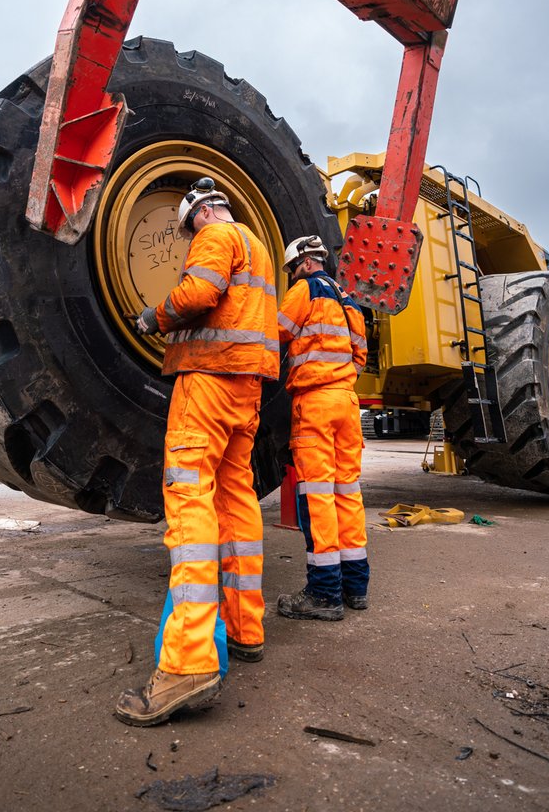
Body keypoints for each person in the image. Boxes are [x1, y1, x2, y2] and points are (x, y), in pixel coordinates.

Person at [115, 177, 279, 727]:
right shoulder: (258, 247)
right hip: (247, 388)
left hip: (207, 381)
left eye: (187, 228)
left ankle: (188, 663)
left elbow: (198, 295)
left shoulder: (216, 236)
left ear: (202, 212)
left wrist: (154, 317)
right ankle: (245, 628)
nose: (188, 238)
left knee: (189, 501)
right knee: (237, 501)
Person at [276, 235, 369, 621]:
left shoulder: (304, 290)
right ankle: (355, 588)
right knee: (347, 493)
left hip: (315, 403)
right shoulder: (349, 301)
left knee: (317, 498)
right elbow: (360, 354)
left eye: (292, 269)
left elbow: (275, 331)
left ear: (303, 262)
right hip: (346, 402)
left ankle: (325, 594)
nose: (292, 275)